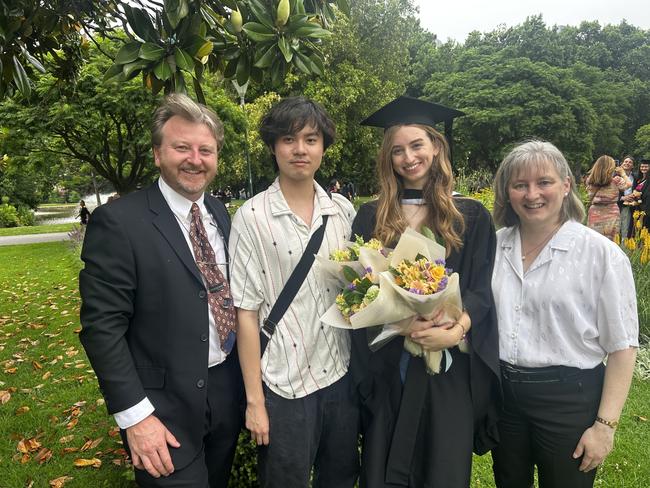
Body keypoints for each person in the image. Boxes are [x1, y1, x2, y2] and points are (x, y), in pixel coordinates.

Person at [79, 94, 243, 487]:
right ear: (157, 154)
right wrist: (135, 417)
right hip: (161, 408)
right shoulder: (118, 222)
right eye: (181, 147)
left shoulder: (219, 214)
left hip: (224, 390)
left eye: (206, 150)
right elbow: (102, 328)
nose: (195, 159)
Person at [350, 96, 501, 487]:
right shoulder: (371, 216)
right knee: (384, 467)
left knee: (442, 468)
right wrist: (400, 324)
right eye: (397, 150)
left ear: (436, 146)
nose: (408, 157)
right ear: (388, 158)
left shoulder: (469, 216)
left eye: (417, 145)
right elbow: (359, 290)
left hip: (448, 368)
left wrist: (458, 328)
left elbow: (482, 291)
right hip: (389, 366)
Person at [491, 140, 638, 488]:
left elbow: (622, 346)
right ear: (507, 192)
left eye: (544, 182)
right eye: (520, 185)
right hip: (503, 399)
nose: (532, 194)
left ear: (567, 185)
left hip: (568, 400)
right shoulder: (494, 246)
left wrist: (605, 426)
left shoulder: (600, 255)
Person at [229, 96, 359, 487]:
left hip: (340, 376)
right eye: (288, 139)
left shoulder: (342, 212)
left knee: (339, 479)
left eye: (311, 139)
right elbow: (246, 314)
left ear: (323, 146)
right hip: (284, 386)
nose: (300, 149)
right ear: (273, 147)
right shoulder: (251, 217)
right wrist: (255, 402)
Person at [585, 155, 631, 240]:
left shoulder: (590, 180)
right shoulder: (616, 181)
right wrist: (623, 173)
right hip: (612, 212)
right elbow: (629, 184)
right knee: (610, 242)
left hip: (595, 212)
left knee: (594, 240)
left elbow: (589, 195)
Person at [628, 158, 649, 232]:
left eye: (646, 167)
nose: (643, 168)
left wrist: (639, 201)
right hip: (636, 208)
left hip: (645, 208)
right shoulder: (639, 178)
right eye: (642, 167)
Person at [618, 155, 635, 238]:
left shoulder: (635, 177)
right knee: (615, 229)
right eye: (626, 161)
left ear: (633, 166)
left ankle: (623, 248)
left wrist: (634, 196)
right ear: (622, 163)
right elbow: (609, 192)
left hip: (630, 206)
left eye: (630, 162)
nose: (627, 163)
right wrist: (622, 198)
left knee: (626, 229)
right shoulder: (614, 176)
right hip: (617, 205)